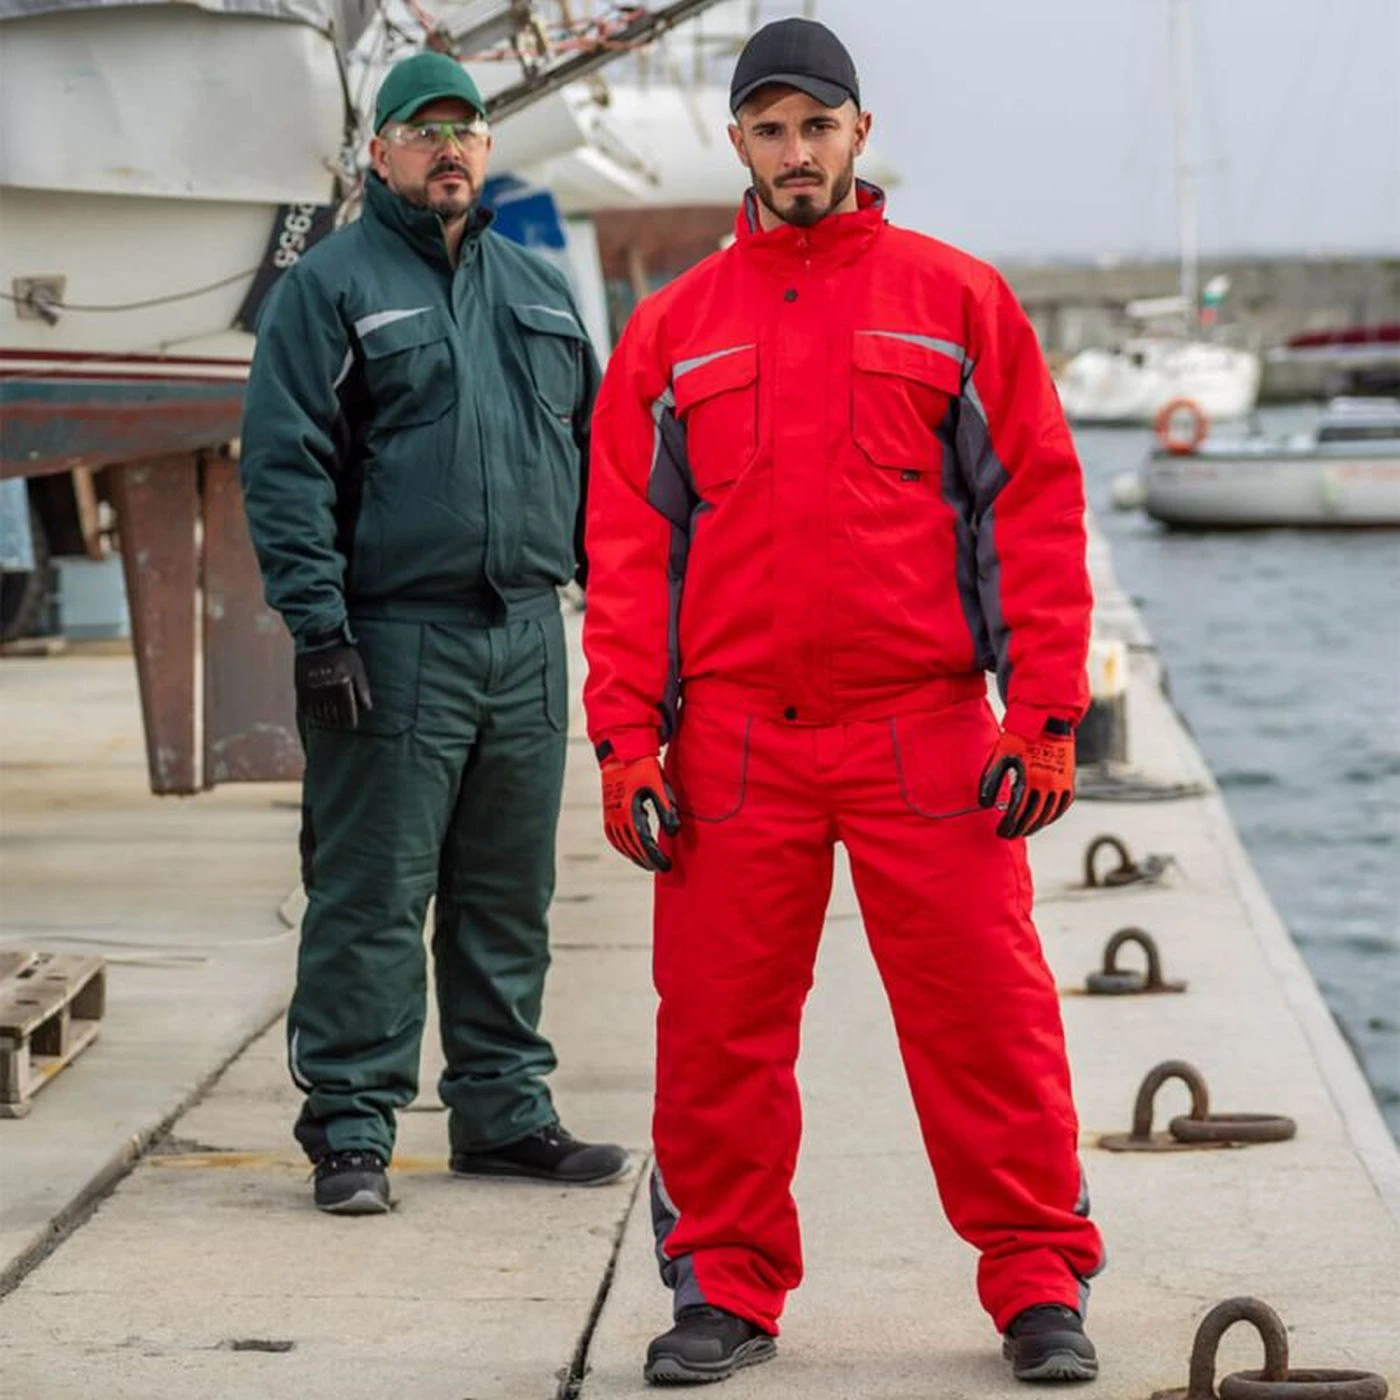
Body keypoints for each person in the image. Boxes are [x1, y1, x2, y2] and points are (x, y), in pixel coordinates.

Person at [581, 17, 1105, 1387]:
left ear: (860, 134)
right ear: (737, 140)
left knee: (988, 1021)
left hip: (925, 731)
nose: (796, 151)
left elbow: (1034, 511)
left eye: (819, 126)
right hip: (734, 743)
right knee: (714, 1037)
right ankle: (726, 1296)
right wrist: (626, 741)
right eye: (770, 128)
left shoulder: (958, 299)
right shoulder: (671, 333)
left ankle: (1041, 1283)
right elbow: (630, 553)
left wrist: (1044, 714)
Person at [240, 51, 626, 1216]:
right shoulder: (332, 286)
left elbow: (600, 471)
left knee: (509, 893)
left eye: (463, 129)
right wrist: (319, 627)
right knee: (371, 891)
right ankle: (351, 1124)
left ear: (487, 150)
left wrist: (629, 626)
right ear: (379, 153)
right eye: (422, 131)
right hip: (392, 640)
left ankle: (503, 1112)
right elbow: (283, 463)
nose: (446, 148)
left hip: (525, 640)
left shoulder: (542, 290)